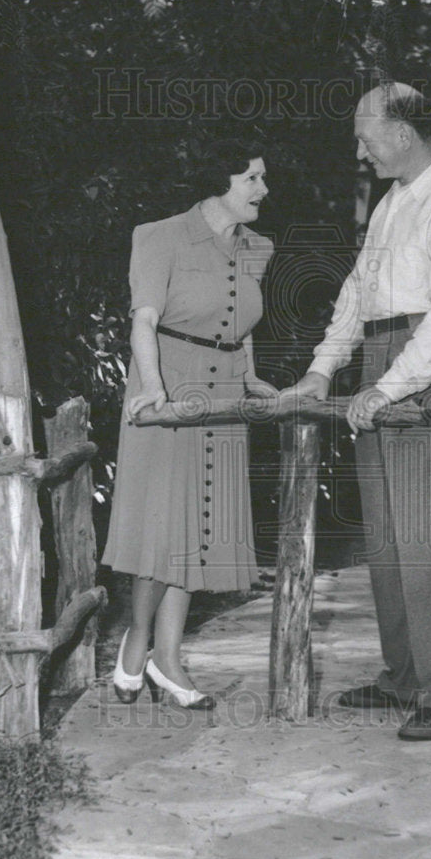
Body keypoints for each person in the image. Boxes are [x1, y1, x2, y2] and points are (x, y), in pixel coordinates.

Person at [284, 83, 431, 740]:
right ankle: (405, 676)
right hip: (381, 359)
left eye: (365, 134)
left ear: (402, 132)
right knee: (386, 532)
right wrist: (325, 369)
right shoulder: (390, 203)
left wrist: (392, 385)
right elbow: (357, 291)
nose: (359, 148)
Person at [102, 139, 275, 709]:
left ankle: (169, 660)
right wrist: (154, 392)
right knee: (159, 531)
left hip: (223, 395)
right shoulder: (160, 236)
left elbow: (241, 325)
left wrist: (249, 379)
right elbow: (144, 321)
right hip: (170, 387)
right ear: (216, 180)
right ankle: (138, 639)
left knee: (199, 531)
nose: (262, 190)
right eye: (251, 178)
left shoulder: (258, 247)